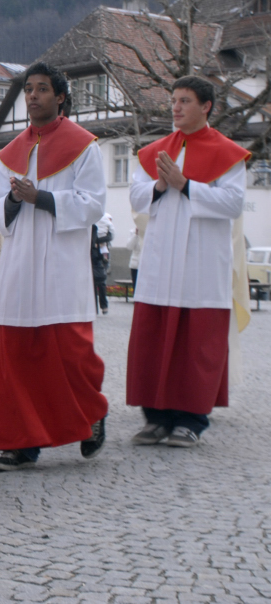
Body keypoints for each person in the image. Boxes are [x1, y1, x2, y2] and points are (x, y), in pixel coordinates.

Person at [0, 61, 108, 471]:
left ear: (60, 96)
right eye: (28, 89)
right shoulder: (9, 153)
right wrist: (13, 200)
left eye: (41, 88)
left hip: (62, 264)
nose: (33, 95)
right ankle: (21, 443)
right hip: (19, 263)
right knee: (16, 355)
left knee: (71, 352)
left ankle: (91, 415)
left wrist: (41, 198)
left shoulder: (84, 146)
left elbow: (93, 203)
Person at [126, 75, 249, 448]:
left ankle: (191, 420)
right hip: (160, 262)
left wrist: (187, 185)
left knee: (196, 346)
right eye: (174, 100)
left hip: (201, 264)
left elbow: (234, 203)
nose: (176, 107)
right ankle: (156, 418)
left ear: (206, 106)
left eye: (185, 101)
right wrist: (160, 186)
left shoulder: (227, 153)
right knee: (154, 340)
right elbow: (135, 196)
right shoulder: (157, 150)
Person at [92, 221, 113, 315]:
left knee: (100, 282)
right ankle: (97, 307)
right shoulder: (93, 227)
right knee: (97, 283)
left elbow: (110, 236)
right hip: (95, 257)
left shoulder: (95, 227)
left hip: (98, 258)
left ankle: (101, 306)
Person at [127, 210, 148, 290]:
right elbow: (129, 246)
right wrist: (136, 235)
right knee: (136, 287)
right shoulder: (133, 232)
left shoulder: (148, 232)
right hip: (135, 264)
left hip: (146, 265)